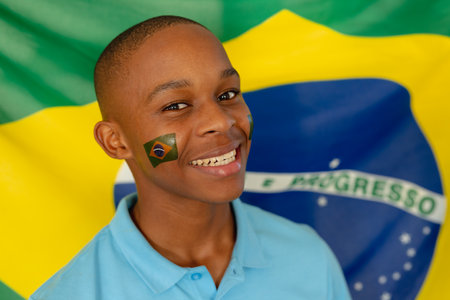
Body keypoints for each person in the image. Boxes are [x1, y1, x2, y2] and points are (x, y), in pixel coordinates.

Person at [30, 15, 351, 300]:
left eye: (227, 95)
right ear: (116, 141)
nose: (221, 121)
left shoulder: (307, 257)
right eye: (176, 106)